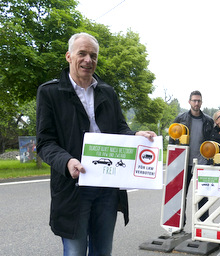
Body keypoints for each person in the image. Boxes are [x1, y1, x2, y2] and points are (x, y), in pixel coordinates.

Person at [36, 32, 157, 255]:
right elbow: (45, 143)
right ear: (69, 56)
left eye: (93, 55)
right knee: (75, 252)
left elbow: (120, 129)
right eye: (82, 53)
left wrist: (136, 136)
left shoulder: (108, 92)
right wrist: (67, 161)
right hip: (73, 189)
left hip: (107, 188)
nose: (88, 60)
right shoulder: (50, 92)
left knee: (103, 252)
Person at [169, 90, 214, 228]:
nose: (196, 103)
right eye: (194, 100)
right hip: (184, 162)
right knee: (180, 195)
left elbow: (211, 141)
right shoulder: (180, 119)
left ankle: (203, 225)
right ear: (189, 102)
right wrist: (174, 161)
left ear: (201, 102)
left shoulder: (208, 120)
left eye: (198, 101)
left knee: (202, 195)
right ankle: (179, 224)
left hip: (202, 163)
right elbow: (172, 140)